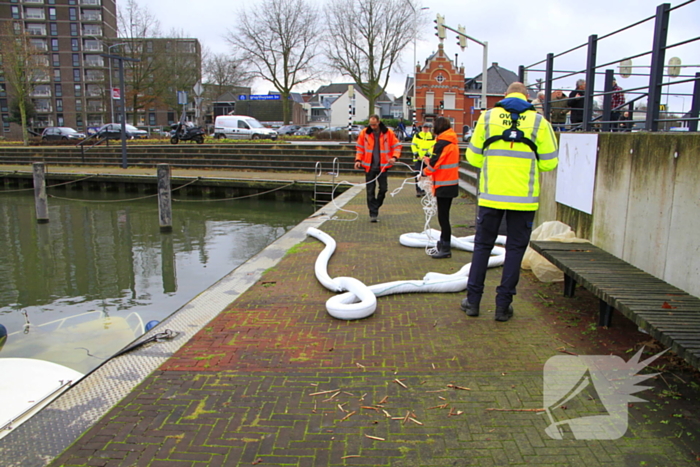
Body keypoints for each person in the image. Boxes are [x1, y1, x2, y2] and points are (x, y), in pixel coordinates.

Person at [461, 82, 559, 322]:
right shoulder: (540, 123)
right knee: (515, 250)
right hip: (523, 201)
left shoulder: (487, 118)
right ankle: (502, 307)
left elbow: (472, 157)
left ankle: (473, 302)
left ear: (505, 96)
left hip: (491, 196)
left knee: (483, 247)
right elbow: (549, 163)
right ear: (528, 98)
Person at [421, 117, 459, 259]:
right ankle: (443, 243)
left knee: (443, 217)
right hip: (451, 183)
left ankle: (445, 247)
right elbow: (443, 161)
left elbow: (435, 164)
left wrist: (424, 172)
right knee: (444, 215)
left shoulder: (441, 143)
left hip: (444, 184)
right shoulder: (451, 142)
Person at [355, 114, 402, 222]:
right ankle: (373, 214)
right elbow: (360, 147)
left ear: (379, 122)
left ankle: (375, 205)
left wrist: (394, 157)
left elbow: (397, 146)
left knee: (383, 189)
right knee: (370, 191)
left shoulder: (388, 133)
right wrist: (358, 160)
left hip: (383, 166)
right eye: (371, 125)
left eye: (374, 124)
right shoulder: (364, 133)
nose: (373, 127)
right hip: (369, 166)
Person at [410, 122, 436, 197]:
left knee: (426, 175)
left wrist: (428, 154)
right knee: (418, 174)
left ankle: (424, 190)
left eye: (427, 128)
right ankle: (418, 190)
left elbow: (433, 146)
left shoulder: (432, 136)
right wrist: (416, 154)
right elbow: (413, 145)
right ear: (422, 128)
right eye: (424, 127)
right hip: (418, 158)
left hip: (427, 159)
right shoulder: (417, 135)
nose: (425, 129)